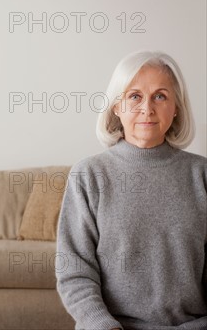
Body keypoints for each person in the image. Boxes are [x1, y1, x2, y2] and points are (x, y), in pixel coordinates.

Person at [56, 50, 207, 329]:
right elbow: (74, 271)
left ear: (176, 108)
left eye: (160, 96)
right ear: (117, 106)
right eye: (134, 96)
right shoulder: (89, 175)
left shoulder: (201, 175)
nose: (146, 109)